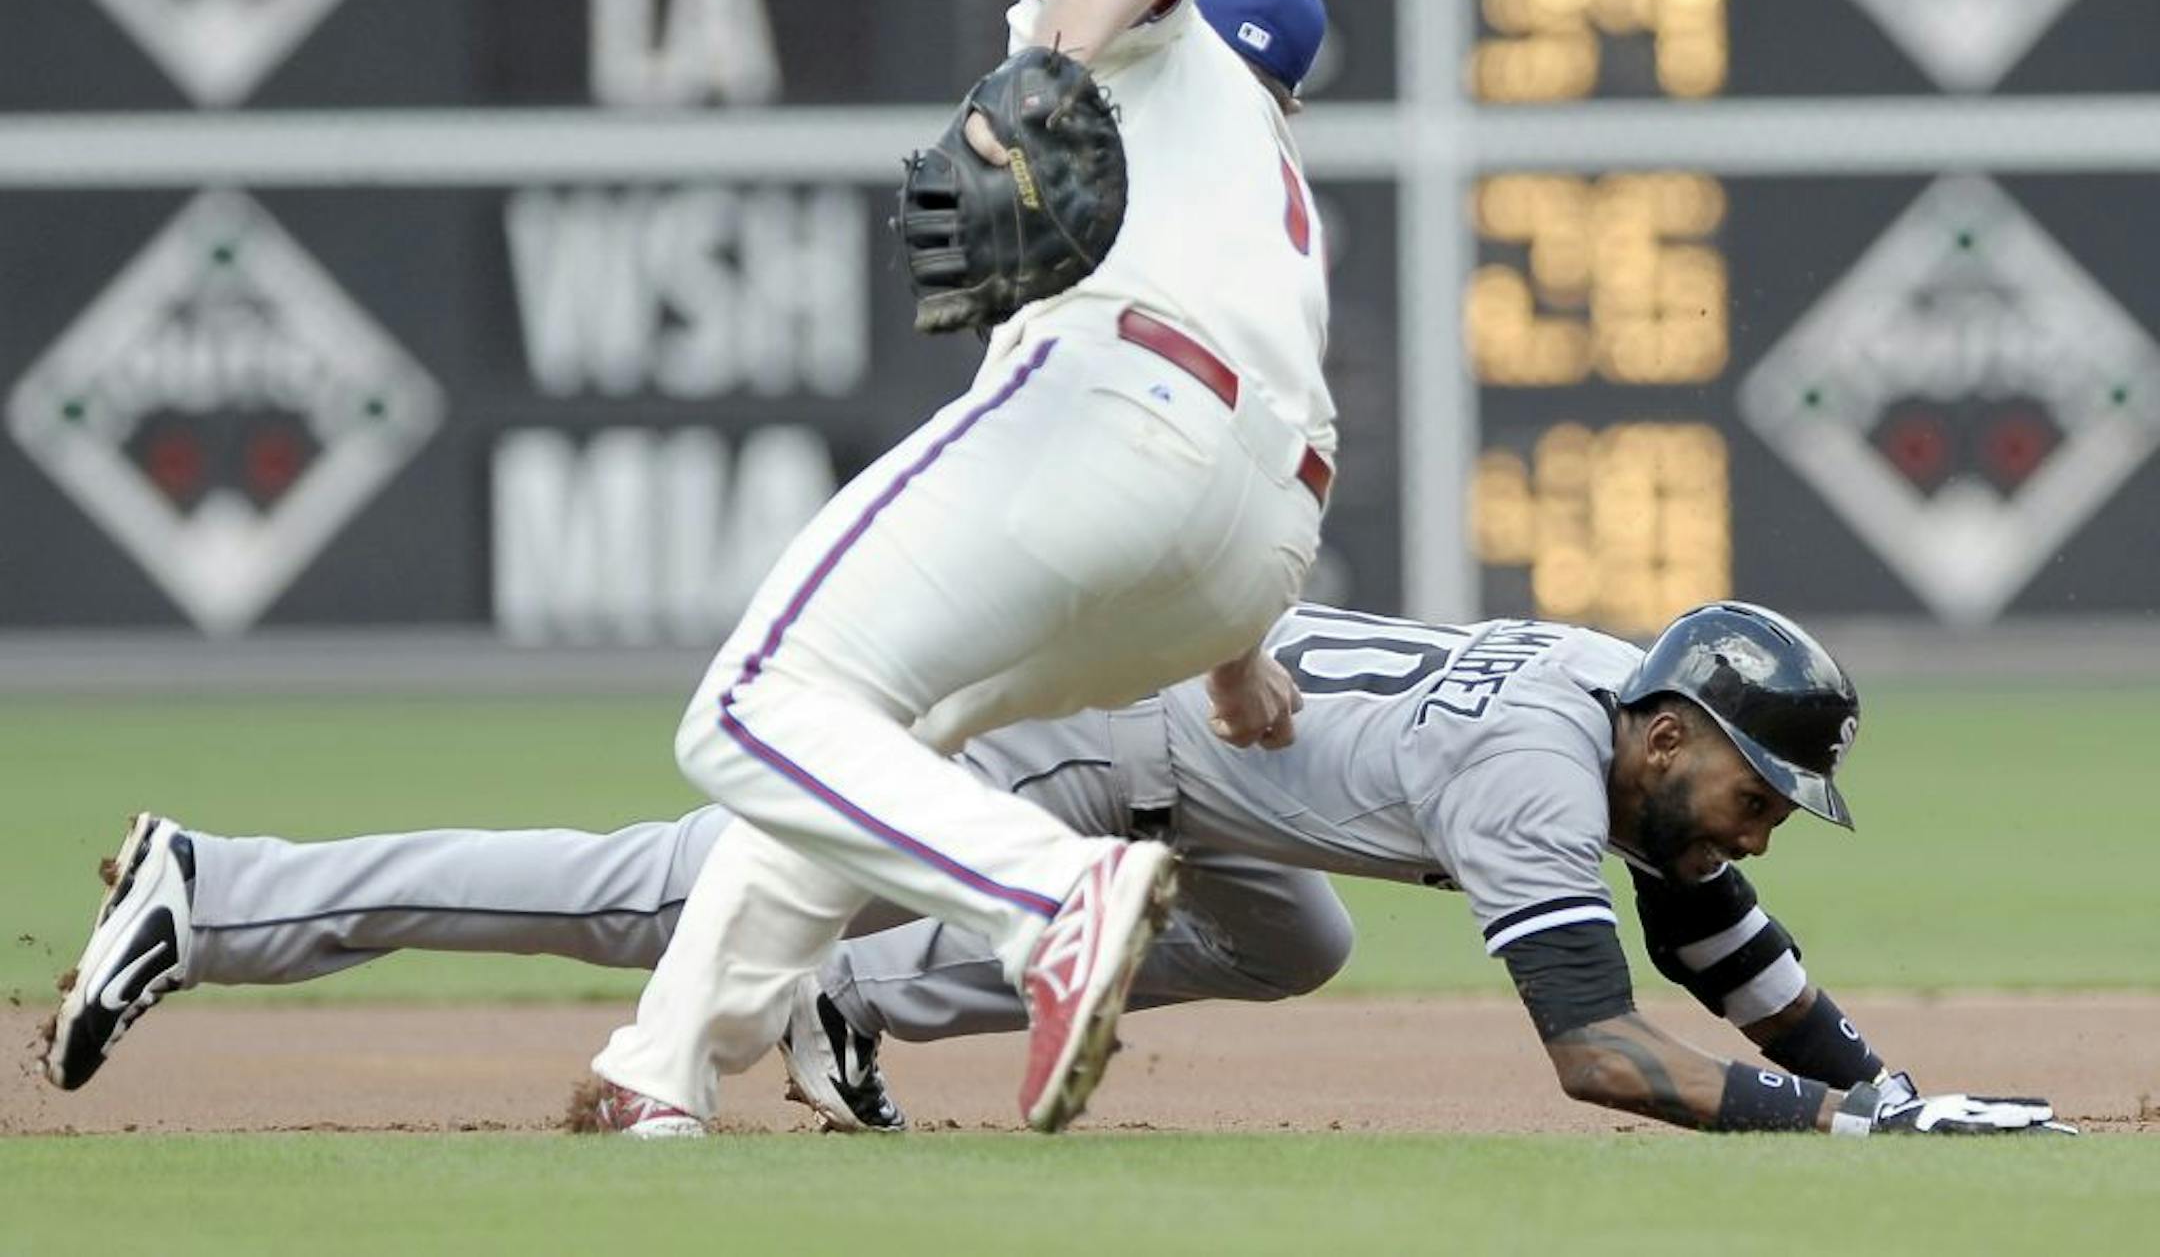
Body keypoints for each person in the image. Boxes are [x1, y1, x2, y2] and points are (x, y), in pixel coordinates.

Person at [43, 602, 2071, 1137]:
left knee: (1293, 934)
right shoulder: (1552, 782)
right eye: (1756, 788)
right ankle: (216, 888)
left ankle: (848, 1006)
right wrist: (1833, 1130)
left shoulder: (1608, 706)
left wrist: (1885, 1081)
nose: (1758, 823)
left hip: (1187, 785)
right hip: (1067, 734)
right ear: (1670, 732)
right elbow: (1607, 1055)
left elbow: (1715, 925)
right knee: (677, 895)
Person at [577, 0, 1339, 1134]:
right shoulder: (1269, 193)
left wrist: (1053, 63)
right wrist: (1234, 657)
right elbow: (1249, 436)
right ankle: (664, 1066)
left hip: (1116, 411)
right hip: (1253, 543)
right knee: (876, 730)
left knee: (748, 711)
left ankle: (1052, 904)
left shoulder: (1153, 33)